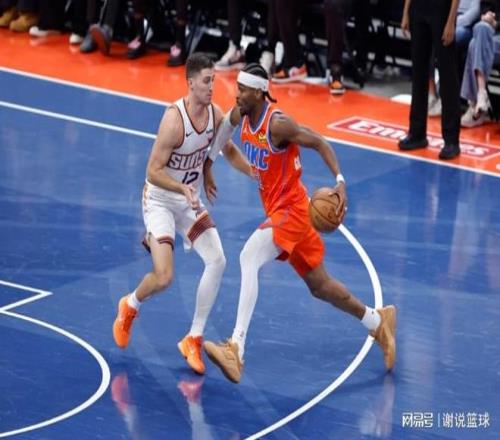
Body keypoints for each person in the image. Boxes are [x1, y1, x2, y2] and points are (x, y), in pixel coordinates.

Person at [201, 63, 397, 384]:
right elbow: (226, 128)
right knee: (320, 287)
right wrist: (209, 163)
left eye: (243, 90)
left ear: (259, 93)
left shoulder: (278, 125)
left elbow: (319, 142)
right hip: (289, 212)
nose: (237, 95)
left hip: (292, 211)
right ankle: (378, 321)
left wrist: (340, 181)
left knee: (248, 257)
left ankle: (236, 348)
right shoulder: (243, 114)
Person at [112, 53, 251, 375]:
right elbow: (152, 171)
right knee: (164, 277)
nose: (212, 87)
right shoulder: (174, 121)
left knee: (218, 260)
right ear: (190, 83)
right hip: (160, 199)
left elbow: (227, 149)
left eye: (214, 80)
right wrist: (182, 188)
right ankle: (130, 305)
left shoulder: (215, 115)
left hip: (188, 201)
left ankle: (194, 338)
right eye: (206, 81)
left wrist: (255, 173)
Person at [399, 0, 462, 160]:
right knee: (418, 71)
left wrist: (451, 21)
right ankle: (417, 133)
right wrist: (406, 11)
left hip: (441, 9)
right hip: (418, 8)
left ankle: (451, 140)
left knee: (447, 74)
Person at [428, 0, 480, 117]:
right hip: (446, 18)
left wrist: (451, 23)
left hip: (466, 24)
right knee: (427, 36)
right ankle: (431, 92)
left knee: (452, 38)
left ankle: (446, 97)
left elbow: (475, 12)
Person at [460, 0, 500, 127]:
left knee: (474, 45)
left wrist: (496, 23)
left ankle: (475, 104)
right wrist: (485, 16)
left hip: (496, 33)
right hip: (490, 34)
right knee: (481, 29)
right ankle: (481, 96)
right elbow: (485, 6)